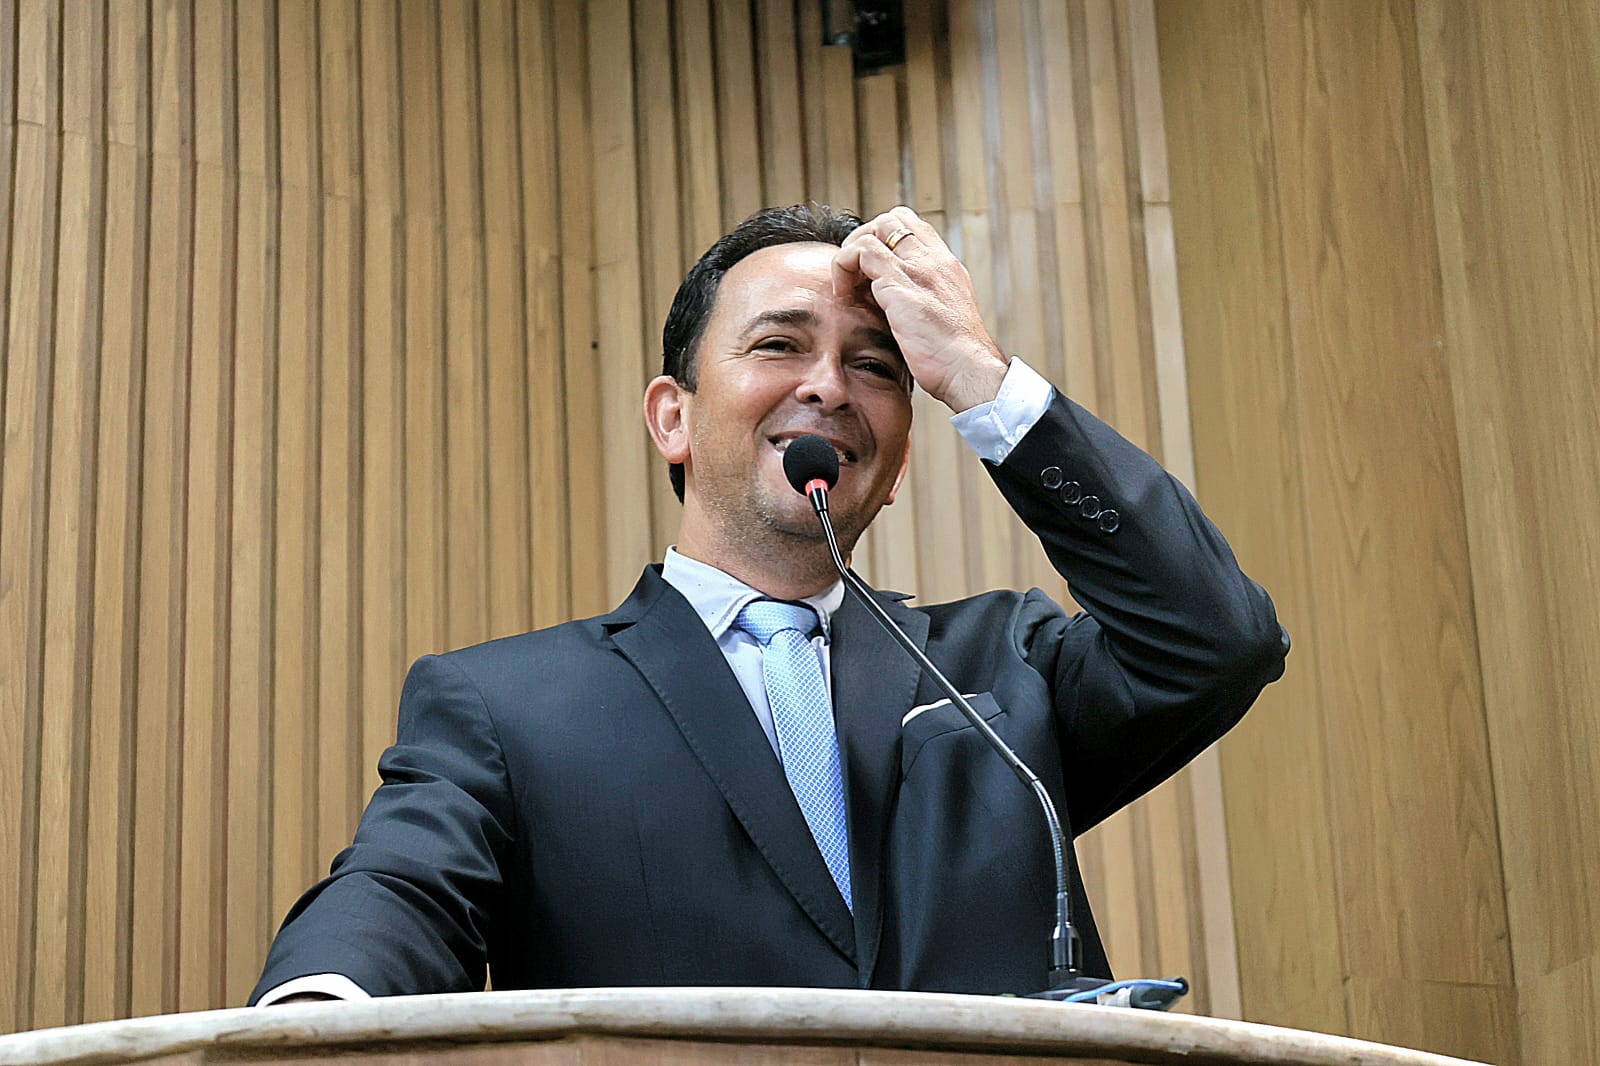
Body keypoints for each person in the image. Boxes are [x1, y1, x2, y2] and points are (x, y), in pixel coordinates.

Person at [250, 204, 1287, 1005]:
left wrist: (978, 377)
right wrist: (314, 1014)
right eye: (779, 345)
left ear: (900, 464)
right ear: (673, 418)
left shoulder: (997, 666)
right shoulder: (505, 705)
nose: (829, 386)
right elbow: (399, 892)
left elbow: (1217, 640)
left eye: (875, 365)